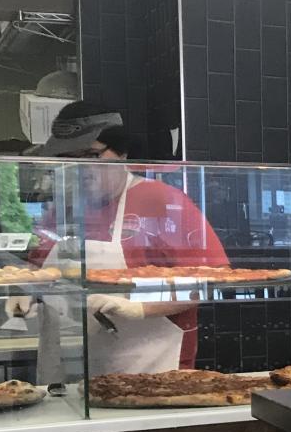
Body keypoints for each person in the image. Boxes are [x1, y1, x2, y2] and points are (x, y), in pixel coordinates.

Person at [29, 103, 228, 373]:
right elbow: (37, 270)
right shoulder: (62, 210)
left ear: (121, 152)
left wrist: (142, 308)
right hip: (69, 367)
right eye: (68, 157)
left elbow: (209, 280)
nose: (81, 167)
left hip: (148, 364)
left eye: (91, 155)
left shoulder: (162, 201)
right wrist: (24, 292)